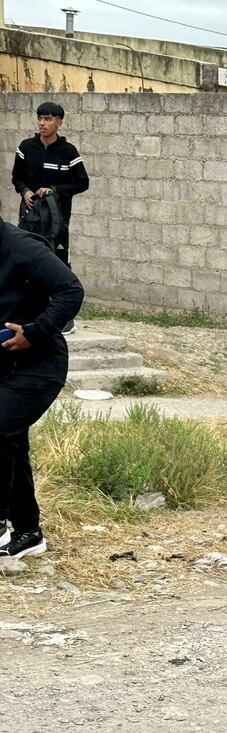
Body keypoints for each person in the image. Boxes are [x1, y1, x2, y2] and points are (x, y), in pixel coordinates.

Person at [0, 216, 84, 558]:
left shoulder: (21, 246)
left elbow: (71, 290)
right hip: (2, 365)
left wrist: (34, 332)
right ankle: (28, 532)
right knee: (11, 443)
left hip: (37, 365)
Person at [11, 101, 89, 334]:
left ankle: (63, 318)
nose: (43, 123)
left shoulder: (68, 152)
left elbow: (82, 182)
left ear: (59, 122)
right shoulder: (27, 147)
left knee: (58, 261)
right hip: (31, 218)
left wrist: (54, 189)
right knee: (27, 262)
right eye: (40, 118)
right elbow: (17, 177)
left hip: (57, 220)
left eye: (48, 119)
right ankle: (30, 312)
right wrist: (25, 190)